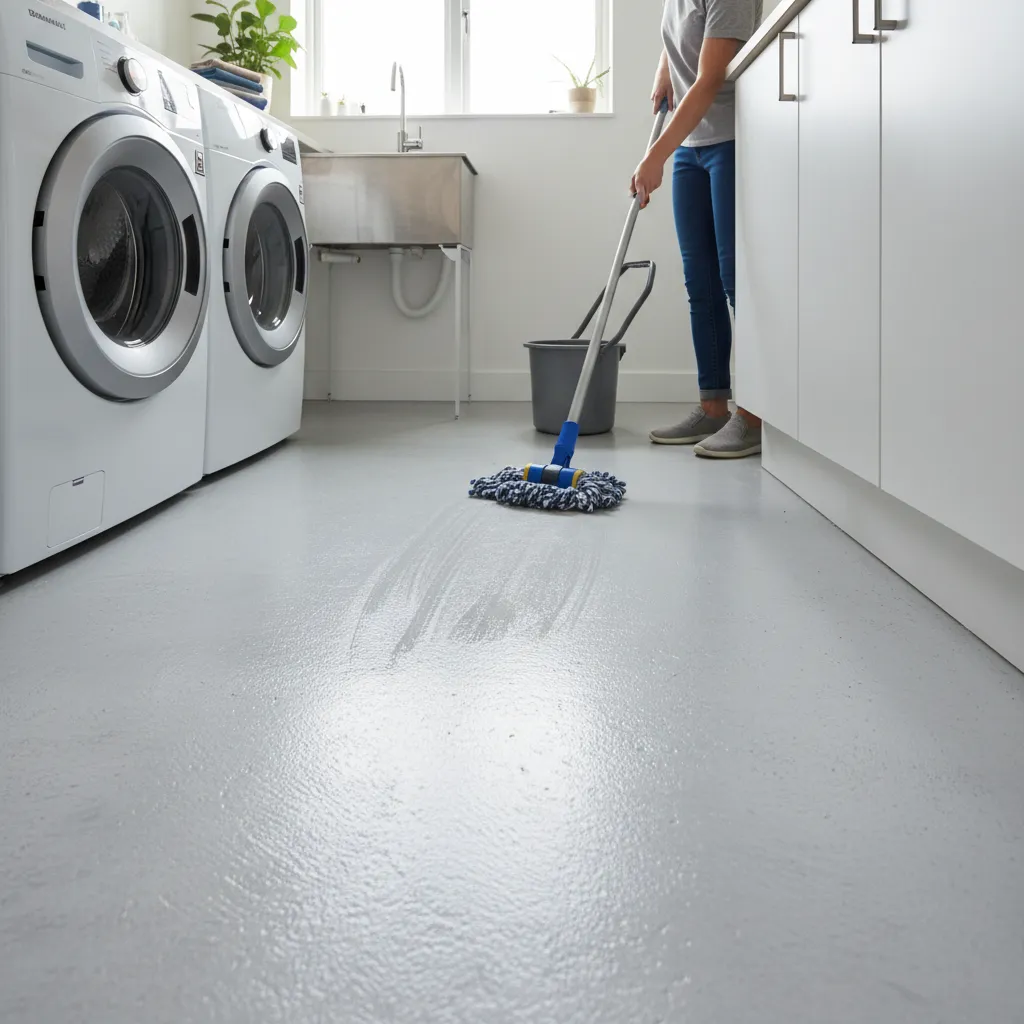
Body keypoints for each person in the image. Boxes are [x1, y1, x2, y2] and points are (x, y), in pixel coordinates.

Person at [632, 0, 763, 459]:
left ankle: (753, 415)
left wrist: (655, 156)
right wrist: (664, 66)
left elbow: (710, 77)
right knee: (700, 284)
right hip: (691, 145)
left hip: (730, 138)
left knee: (735, 283)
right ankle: (713, 407)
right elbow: (686, 40)